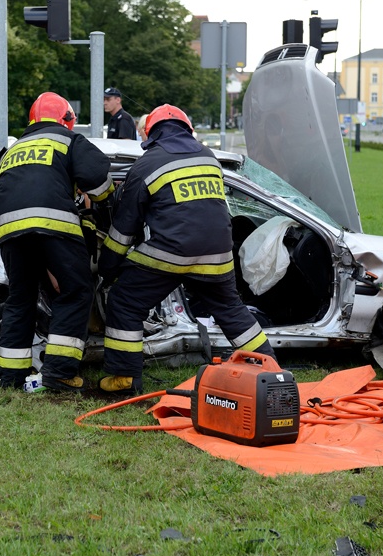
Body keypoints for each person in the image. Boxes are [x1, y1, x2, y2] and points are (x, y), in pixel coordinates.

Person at [97, 104, 277, 394]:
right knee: (231, 310)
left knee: (125, 301)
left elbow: (125, 228)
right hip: (217, 255)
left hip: (169, 254)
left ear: (150, 134)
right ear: (187, 130)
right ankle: (269, 368)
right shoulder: (209, 158)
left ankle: (124, 378)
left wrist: (107, 267)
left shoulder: (147, 164)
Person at [0, 92, 113, 391]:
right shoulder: (68, 140)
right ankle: (59, 373)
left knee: (21, 298)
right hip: (52, 222)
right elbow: (99, 181)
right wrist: (105, 202)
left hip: (8, 228)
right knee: (75, 291)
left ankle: (10, 377)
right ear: (67, 120)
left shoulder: (13, 148)